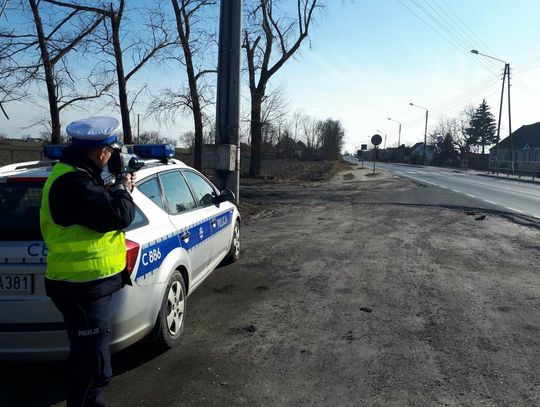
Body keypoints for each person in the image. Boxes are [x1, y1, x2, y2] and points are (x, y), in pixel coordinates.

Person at [40, 116, 136, 406]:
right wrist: (121, 187)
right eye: (111, 151)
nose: (111, 158)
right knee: (91, 370)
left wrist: (113, 185)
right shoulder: (74, 183)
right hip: (80, 288)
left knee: (90, 361)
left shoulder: (77, 176)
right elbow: (119, 215)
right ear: (101, 152)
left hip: (85, 287)